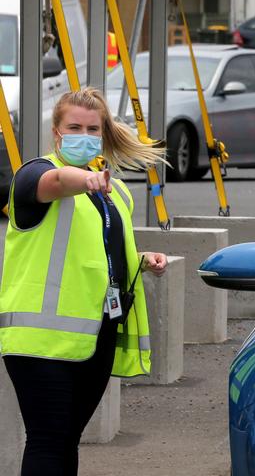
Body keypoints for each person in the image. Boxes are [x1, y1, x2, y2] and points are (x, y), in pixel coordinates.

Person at [0, 87, 168, 476]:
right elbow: (58, 181)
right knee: (47, 440)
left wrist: (143, 261)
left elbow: (98, 252)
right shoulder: (33, 176)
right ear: (56, 132)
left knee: (65, 441)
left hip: (94, 336)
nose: (84, 135)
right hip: (40, 340)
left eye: (93, 129)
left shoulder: (115, 192)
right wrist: (85, 180)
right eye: (74, 126)